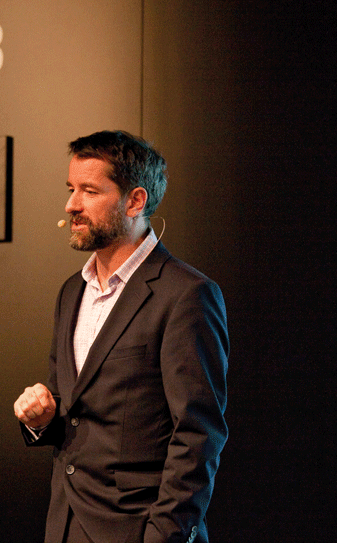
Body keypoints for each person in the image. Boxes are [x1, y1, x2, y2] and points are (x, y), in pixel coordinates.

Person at [14, 130, 229, 543]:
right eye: (71, 189)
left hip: (139, 531)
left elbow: (198, 435)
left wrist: (163, 536)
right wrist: (43, 419)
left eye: (90, 191)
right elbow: (73, 412)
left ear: (135, 201)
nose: (71, 205)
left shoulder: (186, 294)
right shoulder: (71, 291)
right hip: (66, 527)